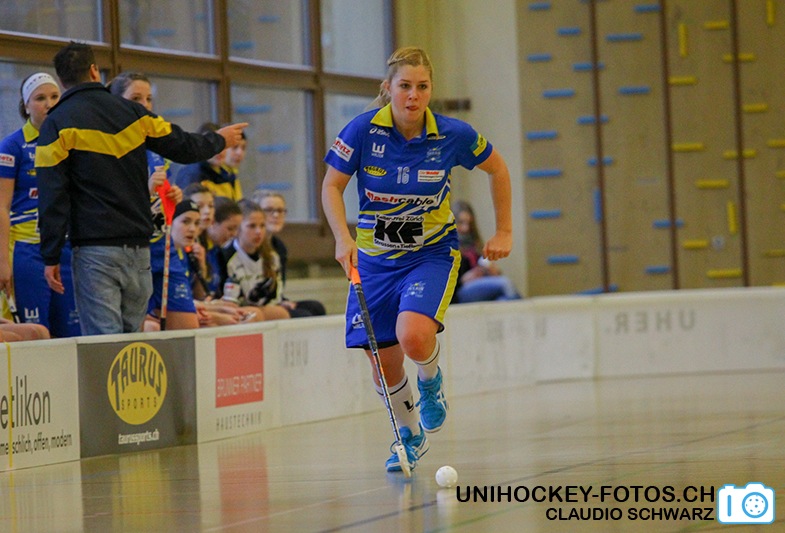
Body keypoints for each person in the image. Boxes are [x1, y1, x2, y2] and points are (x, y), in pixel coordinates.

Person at [321, 46, 513, 473]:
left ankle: (430, 381)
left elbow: (498, 170)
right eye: (405, 86)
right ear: (388, 88)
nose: (413, 95)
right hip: (374, 261)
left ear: (430, 90)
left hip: (430, 254)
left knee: (413, 336)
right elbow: (331, 186)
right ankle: (408, 437)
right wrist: (341, 238)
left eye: (422, 87)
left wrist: (504, 231)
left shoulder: (452, 134)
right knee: (383, 361)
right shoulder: (362, 130)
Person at [35, 41, 248, 335]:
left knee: (103, 344)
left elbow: (52, 195)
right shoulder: (134, 114)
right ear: (95, 71)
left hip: (95, 251)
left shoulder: (56, 123)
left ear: (61, 80)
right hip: (139, 250)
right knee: (132, 343)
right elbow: (184, 145)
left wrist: (51, 254)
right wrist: (219, 139)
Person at [0, 72, 80, 337]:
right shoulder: (12, 146)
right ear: (26, 106)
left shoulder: (71, 143)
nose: (49, 104)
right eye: (40, 98)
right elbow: (2, 207)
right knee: (36, 332)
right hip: (26, 250)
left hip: (64, 249)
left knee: (71, 333)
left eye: (55, 96)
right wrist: (2, 262)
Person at [107, 71, 183, 239]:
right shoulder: (107, 145)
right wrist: (147, 191)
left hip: (156, 239)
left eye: (148, 99)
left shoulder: (155, 143)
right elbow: (113, 207)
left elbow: (162, 191)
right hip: (124, 241)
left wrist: (172, 195)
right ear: (116, 102)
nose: (145, 105)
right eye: (136, 98)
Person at [253, 189, 327, 317]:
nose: (276, 215)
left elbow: (278, 284)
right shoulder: (252, 244)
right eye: (269, 210)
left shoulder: (279, 246)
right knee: (303, 315)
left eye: (280, 210)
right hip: (256, 301)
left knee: (315, 307)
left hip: (273, 300)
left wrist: (281, 300)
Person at [216, 200, 290, 321]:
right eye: (252, 226)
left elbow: (275, 294)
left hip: (267, 307)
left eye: (262, 226)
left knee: (311, 307)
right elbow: (227, 297)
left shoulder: (272, 256)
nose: (258, 232)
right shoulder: (225, 256)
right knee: (262, 314)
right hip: (239, 309)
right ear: (238, 228)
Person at [452, 200, 521, 303]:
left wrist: (493, 271)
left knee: (502, 299)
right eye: (461, 223)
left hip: (482, 283)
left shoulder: (475, 243)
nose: (466, 228)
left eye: (469, 223)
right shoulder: (449, 246)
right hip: (461, 290)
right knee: (505, 284)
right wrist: (463, 279)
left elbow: (486, 266)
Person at [174, 122, 243, 201]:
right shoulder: (192, 174)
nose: (219, 152)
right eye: (213, 147)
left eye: (222, 146)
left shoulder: (227, 174)